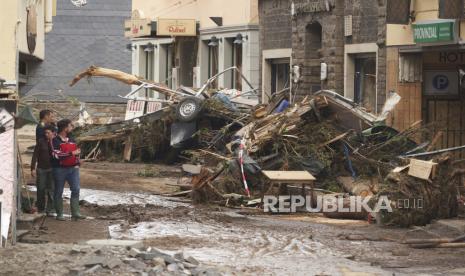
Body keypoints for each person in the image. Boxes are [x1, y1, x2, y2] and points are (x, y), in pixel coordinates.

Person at [51, 119, 85, 221]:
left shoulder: (72, 139)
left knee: (76, 189)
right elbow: (56, 154)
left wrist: (78, 161)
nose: (72, 128)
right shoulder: (55, 140)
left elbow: (76, 153)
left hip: (73, 169)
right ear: (65, 128)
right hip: (59, 169)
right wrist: (71, 154)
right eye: (70, 126)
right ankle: (59, 214)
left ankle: (75, 213)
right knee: (58, 191)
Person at [31, 125, 56, 216]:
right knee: (41, 189)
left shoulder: (56, 142)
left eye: (48, 133)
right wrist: (32, 168)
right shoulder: (41, 142)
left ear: (53, 133)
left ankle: (50, 210)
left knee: (51, 189)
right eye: (45, 133)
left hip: (52, 169)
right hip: (41, 169)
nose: (46, 134)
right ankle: (41, 208)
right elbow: (35, 155)